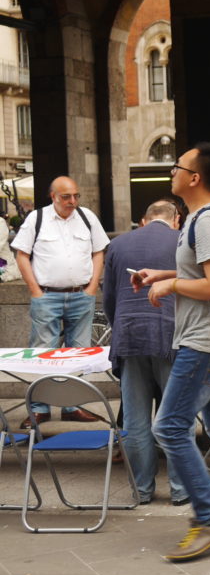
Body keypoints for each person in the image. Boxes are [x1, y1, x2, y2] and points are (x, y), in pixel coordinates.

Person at [137, 142, 210, 562]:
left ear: (195, 177)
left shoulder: (208, 221)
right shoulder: (201, 219)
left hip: (206, 341)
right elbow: (206, 270)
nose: (172, 172)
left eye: (177, 166)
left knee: (168, 427)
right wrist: (165, 273)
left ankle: (209, 518)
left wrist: (171, 285)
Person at [102, 200, 188, 506]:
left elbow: (109, 299)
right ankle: (180, 489)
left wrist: (120, 327)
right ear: (176, 219)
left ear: (143, 220)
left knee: (135, 420)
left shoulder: (118, 244)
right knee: (176, 416)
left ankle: (142, 489)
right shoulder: (182, 240)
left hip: (129, 336)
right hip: (171, 335)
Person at [12, 175, 109, 428]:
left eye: (76, 196)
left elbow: (98, 252)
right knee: (42, 354)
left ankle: (72, 406)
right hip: (47, 296)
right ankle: (39, 409)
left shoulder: (87, 217)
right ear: (53, 196)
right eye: (66, 197)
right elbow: (21, 255)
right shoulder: (37, 218)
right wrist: (35, 291)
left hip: (81, 295)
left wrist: (92, 288)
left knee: (78, 354)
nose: (72, 201)